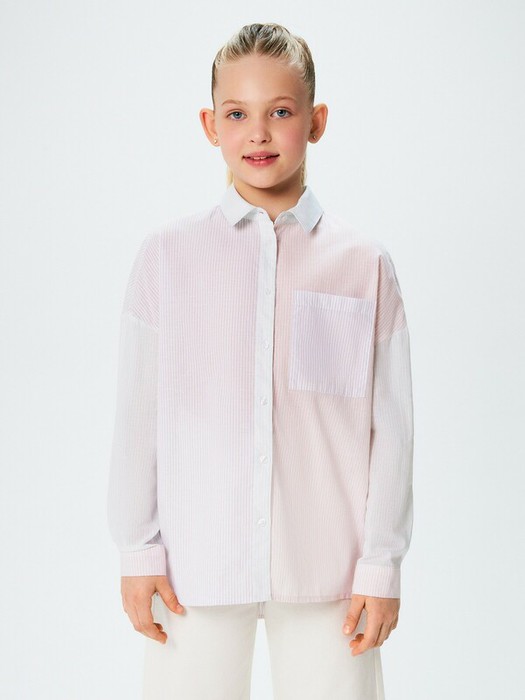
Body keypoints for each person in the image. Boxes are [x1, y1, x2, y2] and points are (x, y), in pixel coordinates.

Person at [107, 21, 414, 700]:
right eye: (237, 114)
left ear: (316, 121)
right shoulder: (166, 258)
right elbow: (137, 416)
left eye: (279, 112)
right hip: (194, 564)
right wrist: (137, 549)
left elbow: (390, 430)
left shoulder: (363, 264)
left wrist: (381, 564)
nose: (258, 134)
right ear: (209, 125)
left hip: (329, 567)